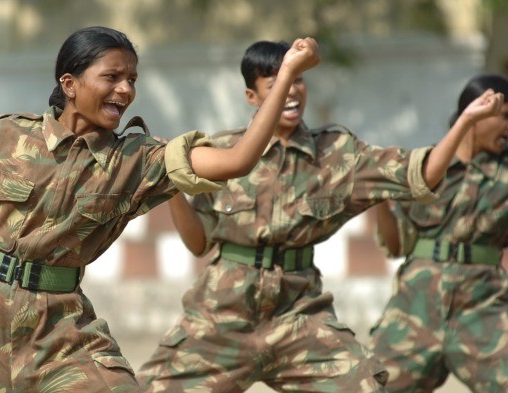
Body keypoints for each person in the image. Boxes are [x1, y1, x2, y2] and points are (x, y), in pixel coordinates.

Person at [0, 26, 320, 392]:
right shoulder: (8, 135)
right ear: (69, 83)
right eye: (112, 76)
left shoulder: (136, 160)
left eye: (132, 79)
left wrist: (285, 76)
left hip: (58, 329)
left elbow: (237, 159)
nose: (126, 89)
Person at [136, 41, 505, 393]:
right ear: (253, 96)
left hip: (299, 314)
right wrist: (172, 190)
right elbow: (199, 243)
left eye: (298, 79)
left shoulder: (338, 154)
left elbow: (421, 173)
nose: (293, 91)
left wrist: (465, 121)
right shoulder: (223, 150)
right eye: (279, 81)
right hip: (222, 314)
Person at [369, 74, 508, 393]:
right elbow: (395, 246)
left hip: (482, 307)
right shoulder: (425, 167)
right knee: (370, 387)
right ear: (474, 114)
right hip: (415, 308)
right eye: (504, 117)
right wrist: (380, 203)